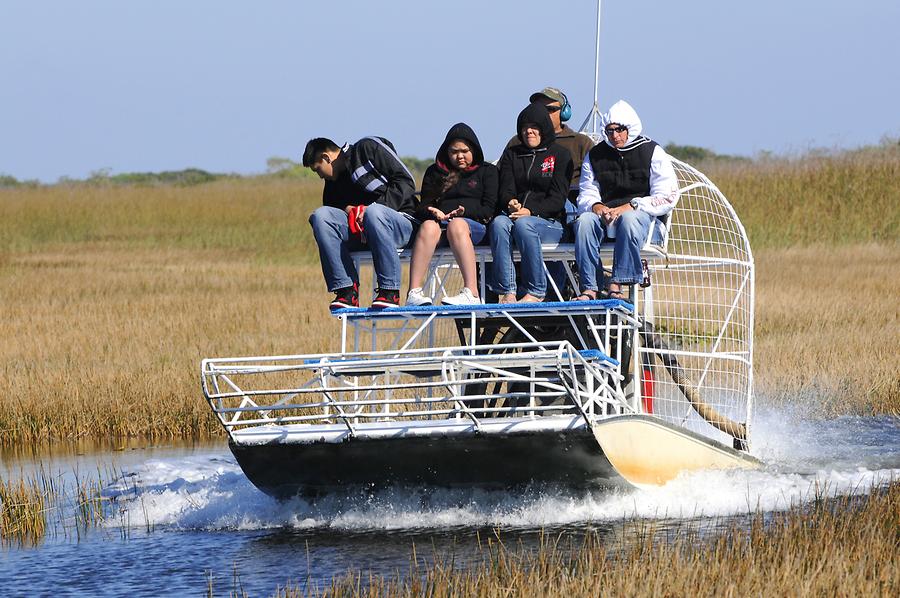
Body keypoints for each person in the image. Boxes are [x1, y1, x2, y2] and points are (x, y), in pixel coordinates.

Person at [573, 100, 678, 301]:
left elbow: (667, 195)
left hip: (644, 222)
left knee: (629, 219)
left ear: (629, 128)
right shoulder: (595, 155)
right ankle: (589, 287)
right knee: (584, 222)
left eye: (620, 130)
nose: (615, 135)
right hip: (606, 218)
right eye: (610, 130)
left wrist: (631, 206)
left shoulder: (652, 151)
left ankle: (617, 283)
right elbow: (586, 192)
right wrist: (597, 207)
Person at [303, 136, 418, 310]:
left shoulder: (367, 148)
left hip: (402, 224)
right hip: (365, 236)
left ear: (327, 158)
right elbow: (333, 217)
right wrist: (349, 210)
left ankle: (390, 292)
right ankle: (347, 291)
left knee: (373, 212)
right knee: (321, 216)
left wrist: (370, 209)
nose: (320, 176)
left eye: (318, 169)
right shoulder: (333, 183)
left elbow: (406, 181)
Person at [406, 123, 498, 306]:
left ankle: (471, 292)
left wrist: (464, 213)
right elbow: (423, 206)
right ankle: (413, 292)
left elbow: (489, 210)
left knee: (457, 224)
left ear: (474, 150)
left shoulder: (487, 171)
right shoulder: (435, 172)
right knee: (427, 226)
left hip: (474, 228)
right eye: (454, 151)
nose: (460, 156)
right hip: (441, 225)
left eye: (465, 151)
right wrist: (433, 212)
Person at [490, 102, 573, 303]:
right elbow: (505, 189)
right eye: (525, 127)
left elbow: (558, 199)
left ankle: (535, 290)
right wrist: (511, 202)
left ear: (544, 128)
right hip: (516, 217)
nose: (529, 131)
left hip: (550, 223)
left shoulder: (560, 155)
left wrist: (530, 211)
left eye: (534, 127)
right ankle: (508, 291)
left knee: (525, 224)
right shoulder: (512, 154)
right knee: (499, 224)